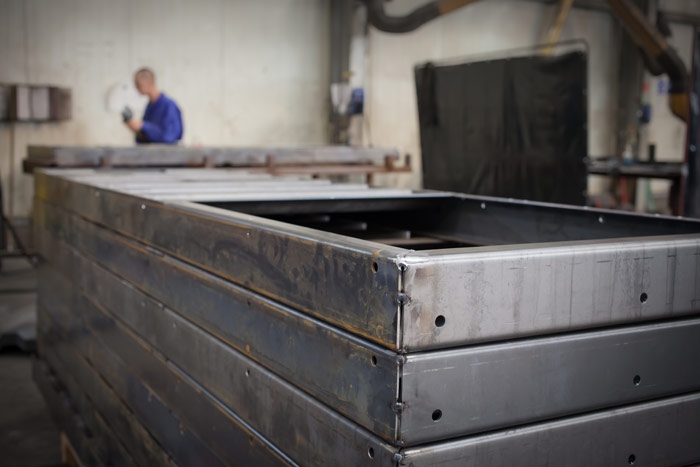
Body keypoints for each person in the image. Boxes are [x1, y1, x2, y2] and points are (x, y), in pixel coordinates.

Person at [122, 68, 183, 144]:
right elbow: (147, 139)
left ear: (150, 81)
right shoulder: (150, 106)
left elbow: (169, 136)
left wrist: (143, 126)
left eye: (138, 84)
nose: (136, 87)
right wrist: (137, 129)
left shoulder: (168, 105)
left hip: (167, 151)